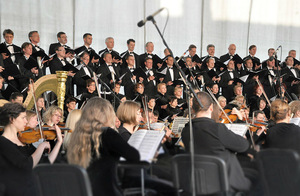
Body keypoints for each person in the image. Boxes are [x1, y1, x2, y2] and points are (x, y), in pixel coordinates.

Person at [67, 97, 140, 196]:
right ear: (106, 115)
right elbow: (134, 156)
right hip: (107, 190)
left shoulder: (78, 134)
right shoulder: (108, 133)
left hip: (83, 190)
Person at [181, 91, 251, 192]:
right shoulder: (217, 128)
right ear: (211, 107)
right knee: (255, 176)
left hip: (197, 182)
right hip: (222, 182)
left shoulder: (186, 130)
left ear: (193, 109)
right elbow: (243, 146)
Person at [0, 103, 62, 196]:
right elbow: (27, 165)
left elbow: (45, 163)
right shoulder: (3, 142)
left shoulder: (24, 142)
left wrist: (59, 142)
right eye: (23, 118)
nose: (26, 121)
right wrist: (41, 147)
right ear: (12, 119)